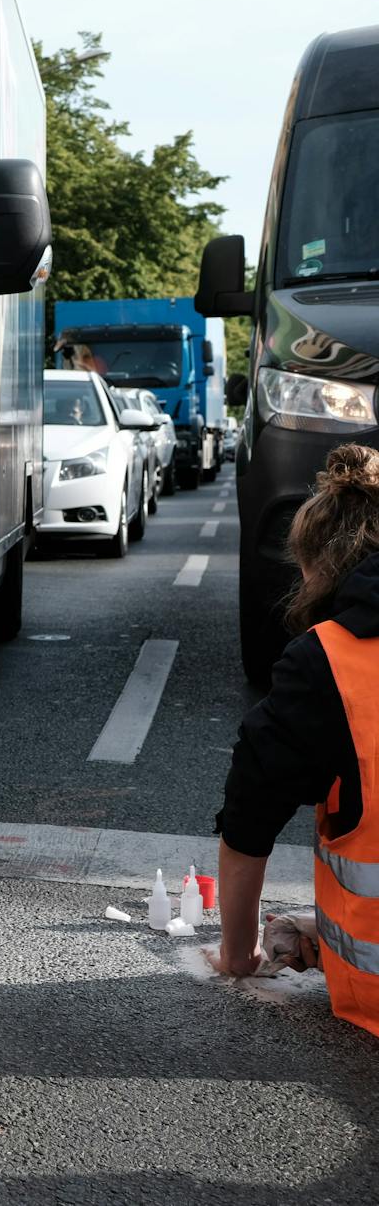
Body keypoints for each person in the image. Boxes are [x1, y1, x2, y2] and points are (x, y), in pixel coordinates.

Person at [211, 444, 379, 1038]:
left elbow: (249, 815)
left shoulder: (330, 662)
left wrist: (237, 956)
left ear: (319, 566)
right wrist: (323, 932)